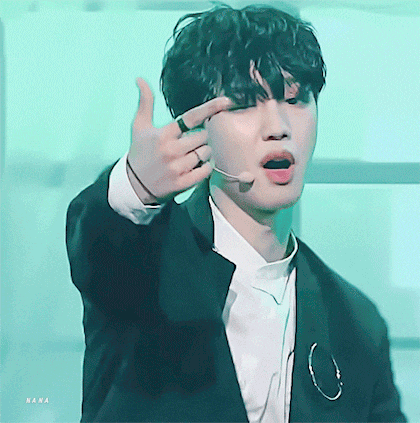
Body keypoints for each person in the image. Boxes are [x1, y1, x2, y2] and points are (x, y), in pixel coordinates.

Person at [65, 4, 407, 422]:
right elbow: (96, 234)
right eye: (244, 104)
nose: (278, 127)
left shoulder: (356, 323)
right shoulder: (142, 261)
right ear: (195, 128)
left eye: (296, 99)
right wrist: (137, 182)